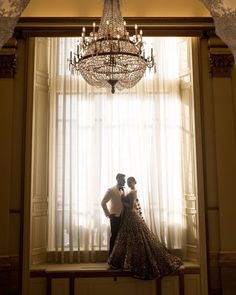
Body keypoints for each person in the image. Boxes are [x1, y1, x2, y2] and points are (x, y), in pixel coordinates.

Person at [108, 176, 183, 280]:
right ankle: (128, 261)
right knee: (130, 238)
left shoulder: (133, 192)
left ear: (134, 182)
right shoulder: (130, 191)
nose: (129, 183)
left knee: (135, 238)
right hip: (128, 216)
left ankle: (132, 261)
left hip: (131, 215)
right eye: (128, 182)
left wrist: (122, 200)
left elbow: (130, 206)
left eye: (130, 181)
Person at [101, 173, 126, 255]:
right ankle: (111, 257)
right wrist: (108, 214)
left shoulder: (124, 190)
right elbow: (103, 202)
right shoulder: (111, 190)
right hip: (115, 217)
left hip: (124, 217)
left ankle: (119, 257)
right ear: (118, 179)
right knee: (114, 237)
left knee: (122, 238)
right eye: (123, 179)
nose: (125, 181)